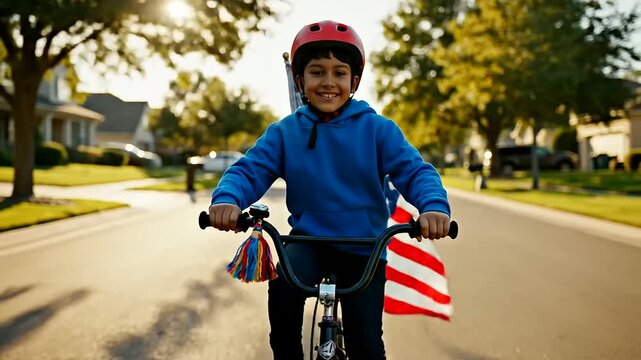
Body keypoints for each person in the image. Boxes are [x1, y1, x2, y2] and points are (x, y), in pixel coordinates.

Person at [208, 20, 451, 360]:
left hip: (364, 246)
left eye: (339, 73)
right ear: (300, 80)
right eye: (317, 72)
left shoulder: (378, 129)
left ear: (353, 81)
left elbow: (415, 172)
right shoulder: (285, 132)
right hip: (309, 242)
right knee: (283, 294)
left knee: (365, 340)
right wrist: (227, 200)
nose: (328, 82)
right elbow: (249, 171)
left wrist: (433, 208)